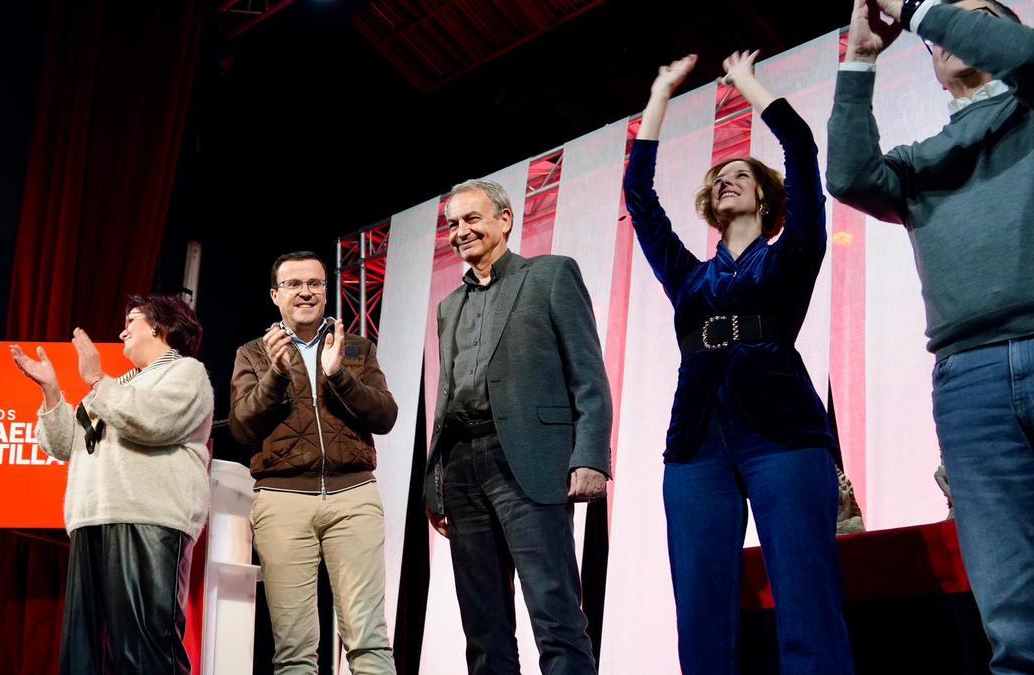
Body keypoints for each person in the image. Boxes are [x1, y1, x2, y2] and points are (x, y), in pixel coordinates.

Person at [625, 51, 852, 673]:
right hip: (697, 445)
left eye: (741, 174)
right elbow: (639, 199)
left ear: (766, 197)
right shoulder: (689, 276)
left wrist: (749, 85)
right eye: (719, 175)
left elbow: (802, 152)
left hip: (783, 435)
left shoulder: (793, 251)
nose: (727, 178)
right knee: (700, 614)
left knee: (807, 603)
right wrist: (661, 95)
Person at [826, 0, 1034, 670]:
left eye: (970, 15)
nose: (947, 33)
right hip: (969, 382)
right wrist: (860, 60)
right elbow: (851, 176)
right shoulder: (922, 161)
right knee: (1013, 617)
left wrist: (920, 9)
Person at [423, 179, 612, 674]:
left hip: (529, 459)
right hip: (462, 467)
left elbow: (588, 374)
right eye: (452, 225)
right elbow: (445, 400)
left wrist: (590, 454)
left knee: (555, 615)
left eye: (472, 219)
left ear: (505, 220)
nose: (461, 231)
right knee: (483, 629)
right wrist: (435, 482)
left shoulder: (550, 276)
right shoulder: (448, 308)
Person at [9, 293, 214, 675]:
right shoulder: (116, 385)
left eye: (132, 321)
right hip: (93, 518)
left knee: (145, 649)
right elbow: (64, 444)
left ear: (161, 324)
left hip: (149, 518)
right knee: (85, 654)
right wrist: (52, 392)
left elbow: (155, 422)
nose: (122, 332)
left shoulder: (186, 372)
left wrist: (96, 380)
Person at [229, 251, 398, 674]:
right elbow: (242, 427)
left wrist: (340, 375)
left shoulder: (357, 347)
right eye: (293, 284)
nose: (305, 292)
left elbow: (386, 416)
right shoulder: (252, 353)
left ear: (326, 291)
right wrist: (277, 376)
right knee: (294, 650)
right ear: (275, 295)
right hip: (282, 502)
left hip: (354, 498)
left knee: (369, 641)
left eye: (315, 284)